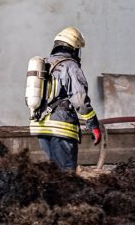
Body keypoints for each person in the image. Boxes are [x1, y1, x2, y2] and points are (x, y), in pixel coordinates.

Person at [28, 27, 102, 172]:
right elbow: (80, 100)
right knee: (66, 175)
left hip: (42, 127)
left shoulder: (46, 64)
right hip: (61, 128)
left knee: (54, 173)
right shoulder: (70, 66)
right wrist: (93, 125)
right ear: (74, 48)